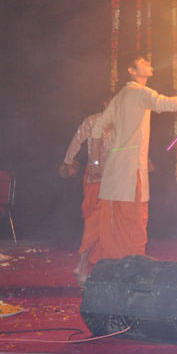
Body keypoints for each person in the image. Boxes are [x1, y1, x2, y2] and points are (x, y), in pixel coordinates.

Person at [90, 53, 177, 265]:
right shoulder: (139, 92)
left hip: (117, 168)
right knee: (133, 219)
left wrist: (95, 162)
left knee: (122, 221)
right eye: (143, 63)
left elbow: (97, 128)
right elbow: (168, 104)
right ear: (132, 71)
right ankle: (132, 262)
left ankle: (126, 262)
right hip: (129, 169)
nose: (149, 64)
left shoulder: (121, 95)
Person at [58, 101, 111, 286]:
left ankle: (97, 270)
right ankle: (82, 264)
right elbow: (77, 140)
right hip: (96, 179)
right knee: (95, 221)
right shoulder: (93, 121)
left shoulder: (122, 122)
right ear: (105, 103)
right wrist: (68, 162)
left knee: (109, 225)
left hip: (116, 179)